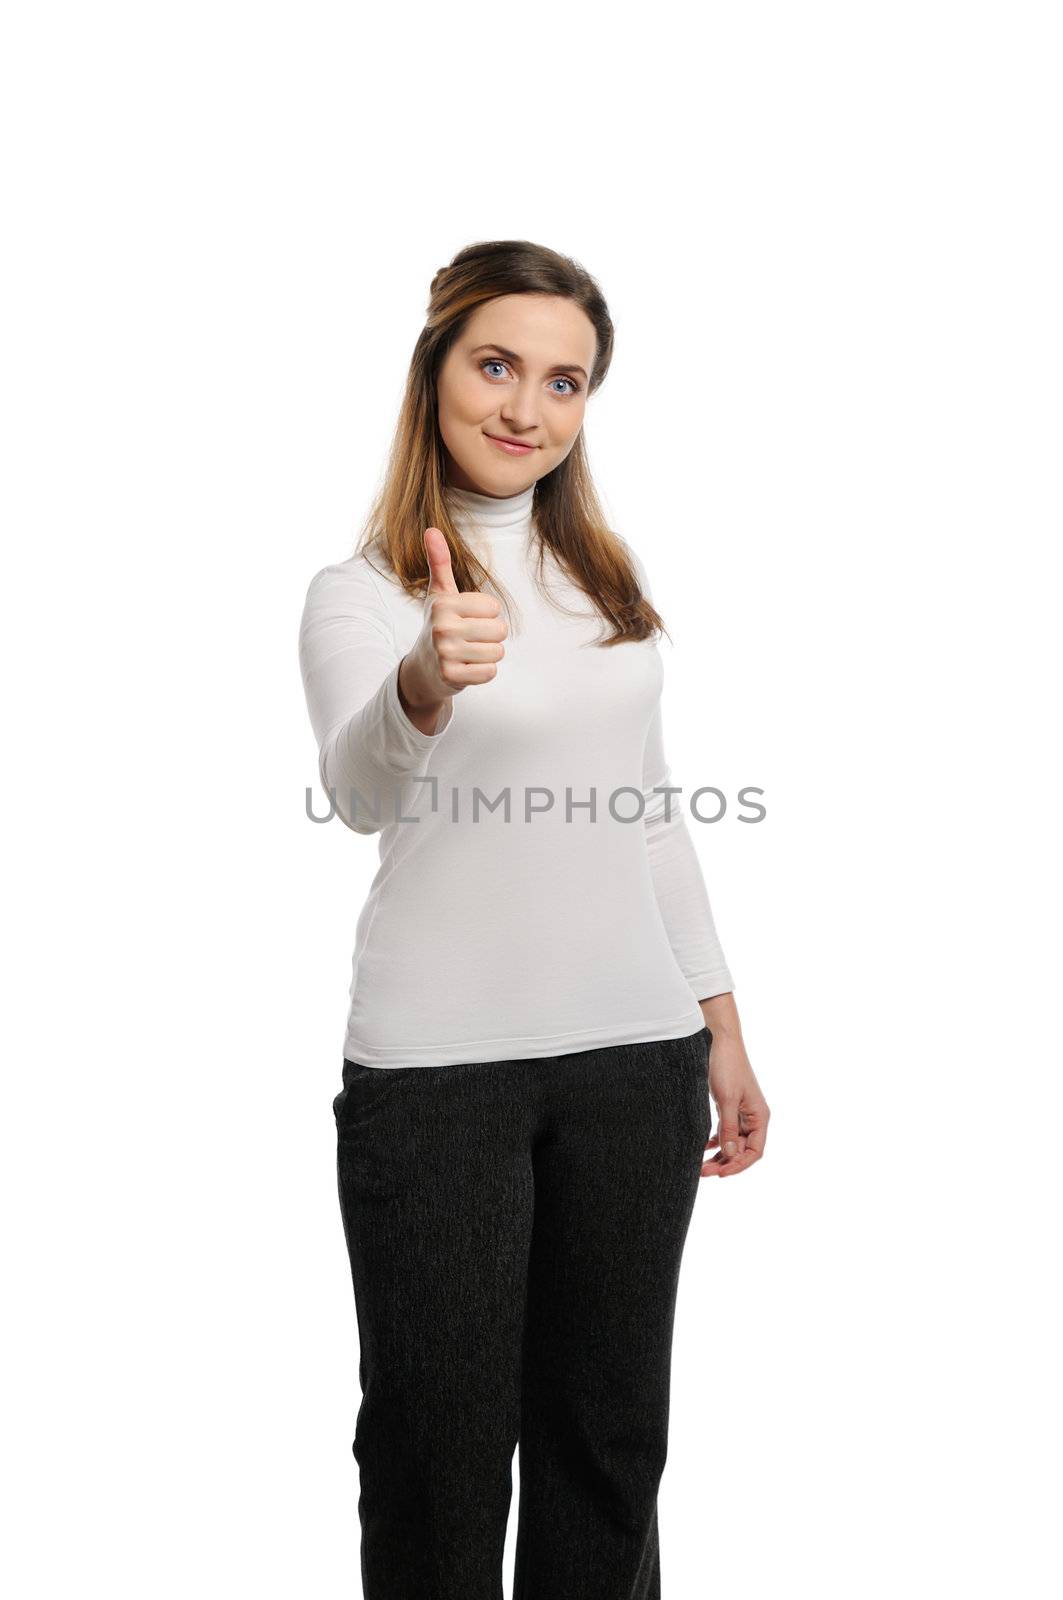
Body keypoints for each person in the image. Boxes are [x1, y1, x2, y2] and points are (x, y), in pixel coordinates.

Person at [298, 238, 770, 1600]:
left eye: (565, 382)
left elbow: (655, 812)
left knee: (609, 1451)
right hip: (437, 1082)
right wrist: (423, 685)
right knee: (438, 1462)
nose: (526, 408)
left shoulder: (606, 587)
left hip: (637, 1060)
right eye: (495, 365)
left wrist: (721, 1027)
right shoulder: (363, 594)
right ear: (435, 371)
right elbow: (358, 790)